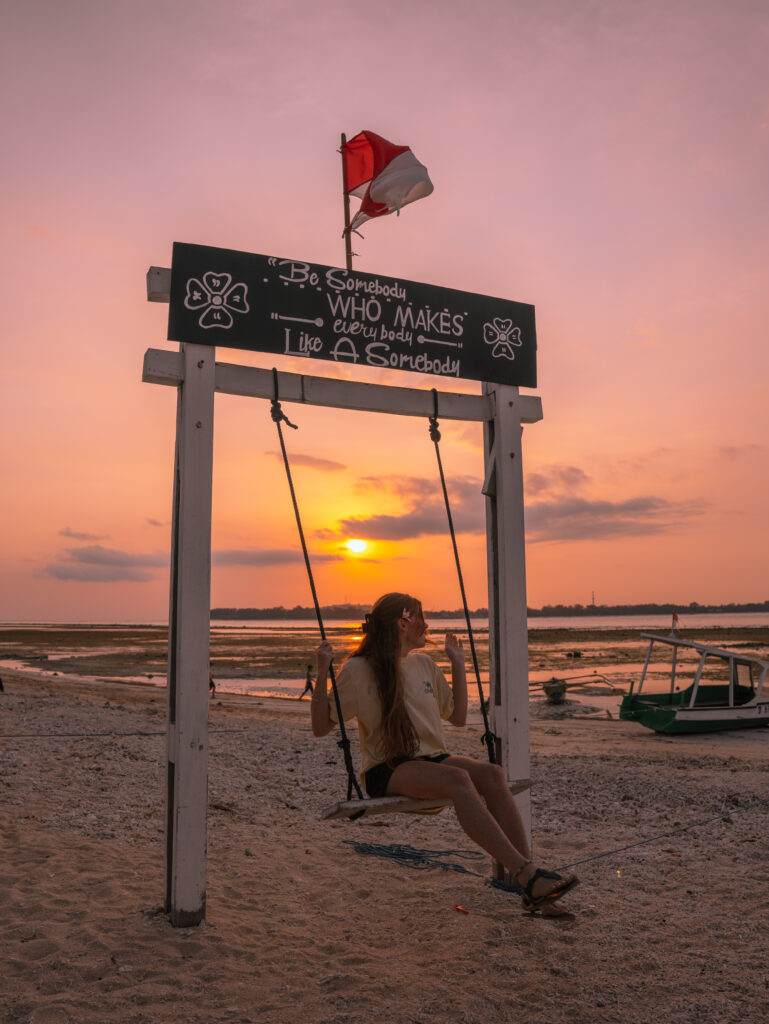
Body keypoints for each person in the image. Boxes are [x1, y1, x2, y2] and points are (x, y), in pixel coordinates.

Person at [311, 592, 578, 915]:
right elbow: (322, 726)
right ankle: (528, 875)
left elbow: (458, 717)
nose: (427, 624)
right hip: (389, 769)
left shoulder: (424, 664)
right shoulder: (357, 668)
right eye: (421, 618)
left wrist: (457, 662)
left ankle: (531, 888)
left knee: (493, 775)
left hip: (431, 759)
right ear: (402, 623)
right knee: (459, 779)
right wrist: (323, 670)